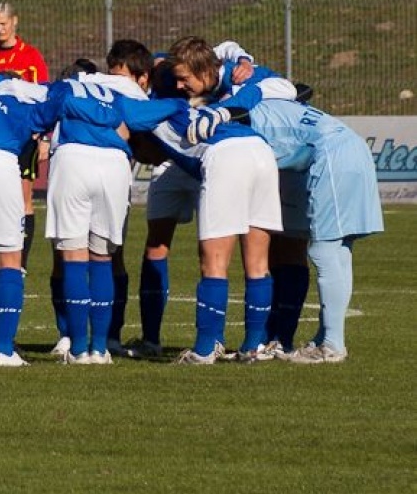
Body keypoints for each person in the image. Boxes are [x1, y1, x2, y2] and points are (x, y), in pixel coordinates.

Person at [0, 79, 135, 367]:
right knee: (17, 258)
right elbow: (63, 105)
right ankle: (11, 352)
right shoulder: (32, 101)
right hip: (9, 162)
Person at [210, 74, 384, 362]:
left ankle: (332, 344)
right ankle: (325, 338)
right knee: (339, 252)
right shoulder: (272, 102)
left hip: (330, 155)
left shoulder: (242, 113)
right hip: (348, 147)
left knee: (325, 250)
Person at [45, 75, 198, 365]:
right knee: (103, 258)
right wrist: (177, 106)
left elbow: (34, 108)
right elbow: (163, 110)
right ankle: (100, 349)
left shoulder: (61, 89)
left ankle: (78, 349)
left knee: (74, 257)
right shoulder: (117, 98)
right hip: (115, 164)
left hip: (73, 159)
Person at [155, 36, 287, 364]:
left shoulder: (236, 78)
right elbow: (223, 47)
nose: (179, 84)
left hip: (228, 157)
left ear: (205, 68)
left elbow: (282, 86)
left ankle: (204, 349)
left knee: (213, 262)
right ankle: (253, 347)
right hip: (262, 154)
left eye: (185, 78)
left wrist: (243, 68)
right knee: (258, 263)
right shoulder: (212, 74)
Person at [125, 42, 258, 359]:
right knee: (156, 244)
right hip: (170, 163)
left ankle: (218, 339)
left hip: (210, 157)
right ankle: (151, 339)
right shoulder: (156, 82)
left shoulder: (203, 71)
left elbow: (227, 49)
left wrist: (244, 59)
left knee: (218, 248)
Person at [0, 1, 49, 273]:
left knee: (22, 197)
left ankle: (20, 260)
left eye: (3, 23)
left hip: (23, 135)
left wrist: (44, 138)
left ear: (15, 21)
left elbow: (43, 98)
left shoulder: (31, 56)